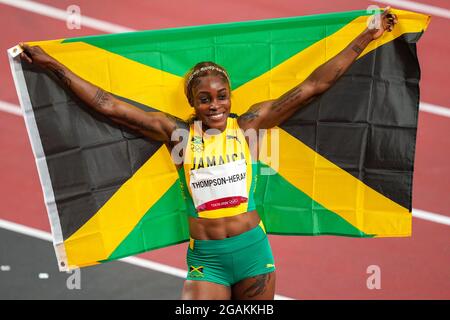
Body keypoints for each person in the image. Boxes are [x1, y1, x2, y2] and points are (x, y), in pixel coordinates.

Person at [19, 8, 397, 300]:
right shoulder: (176, 133)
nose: (215, 105)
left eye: (222, 96)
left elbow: (314, 85)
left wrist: (366, 36)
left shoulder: (248, 126)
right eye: (205, 99)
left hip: (253, 252)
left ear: (231, 97)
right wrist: (53, 65)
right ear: (193, 103)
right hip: (207, 262)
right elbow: (109, 105)